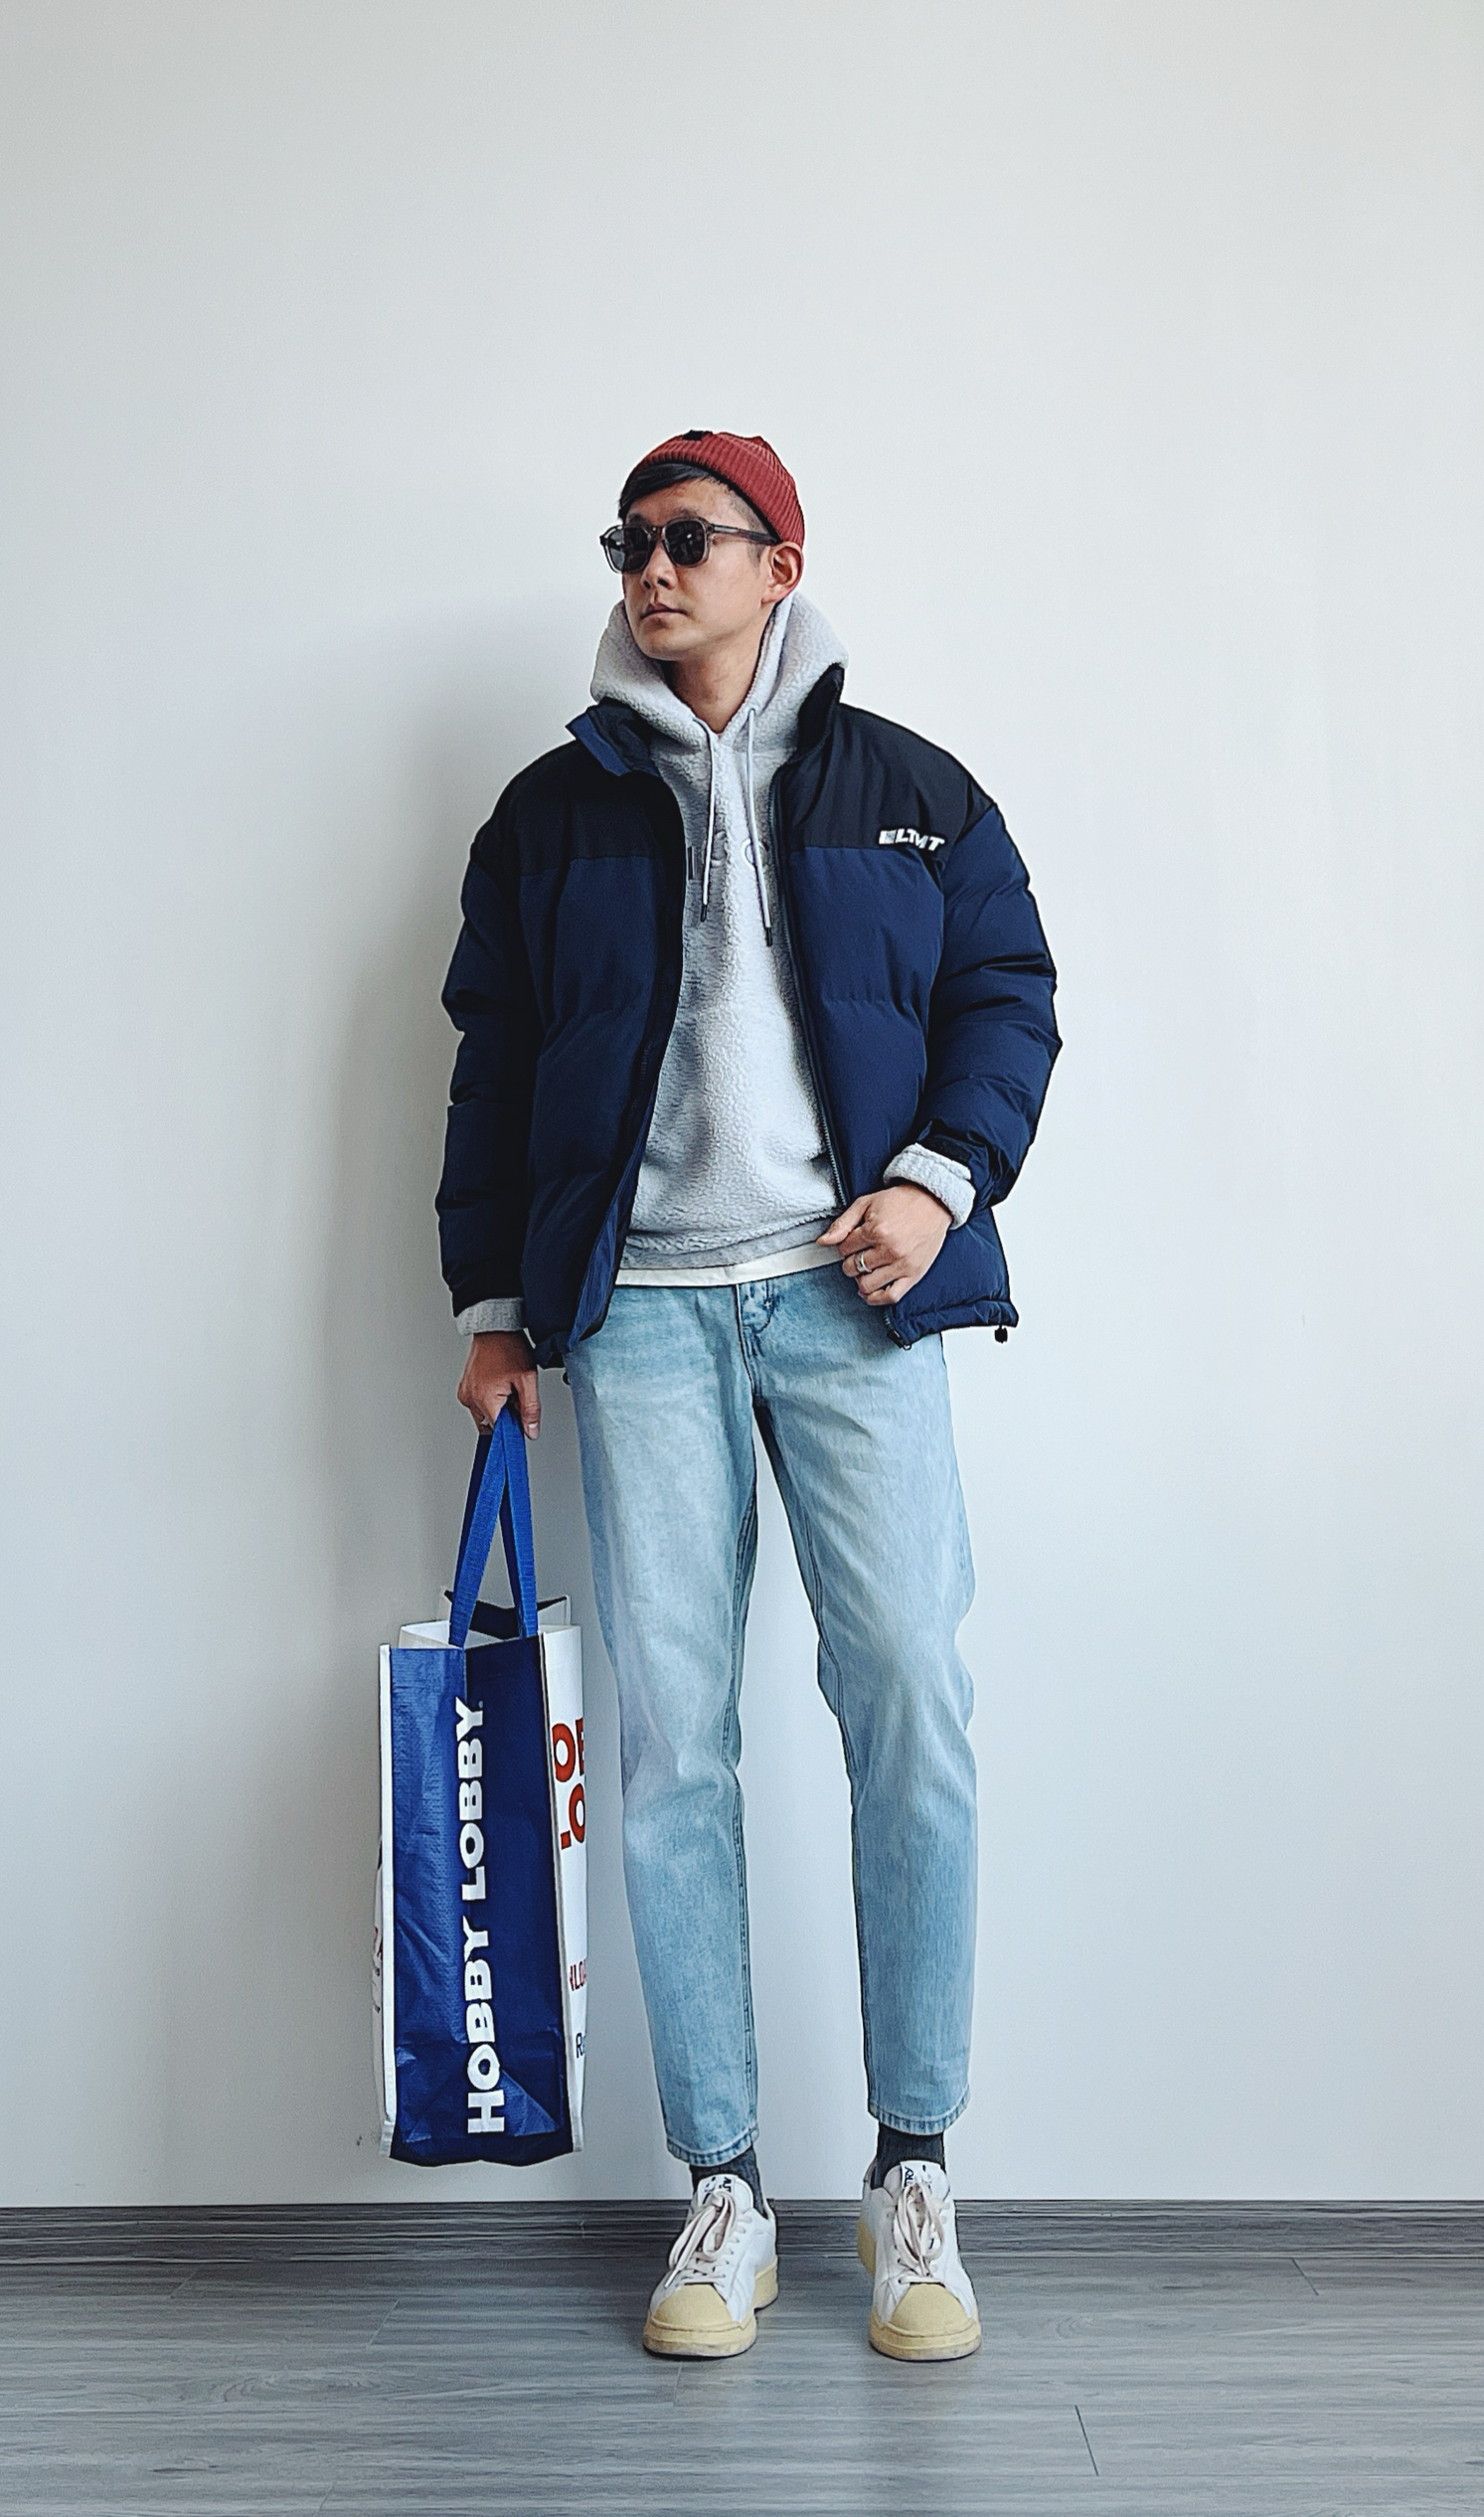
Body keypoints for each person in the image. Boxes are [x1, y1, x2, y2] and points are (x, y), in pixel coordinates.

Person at [438, 429, 1058, 2361]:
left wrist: (933, 1181)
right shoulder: (549, 815)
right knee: (672, 1751)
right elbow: (491, 1061)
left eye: (687, 538)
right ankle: (721, 2188)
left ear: (778, 563)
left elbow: (1008, 995)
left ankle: (912, 2172)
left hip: (848, 1301)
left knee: (911, 1700)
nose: (649, 568)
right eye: (626, 541)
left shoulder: (910, 794)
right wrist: (493, 1305)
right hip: (637, 1315)